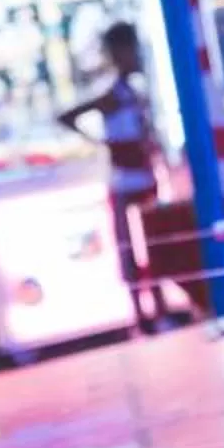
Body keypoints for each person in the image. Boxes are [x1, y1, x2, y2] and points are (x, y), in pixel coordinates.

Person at [57, 21, 171, 335]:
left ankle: (159, 310)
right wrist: (102, 143)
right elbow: (68, 116)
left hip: (144, 175)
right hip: (124, 180)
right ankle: (142, 315)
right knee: (130, 248)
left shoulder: (133, 89)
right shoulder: (112, 93)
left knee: (155, 244)